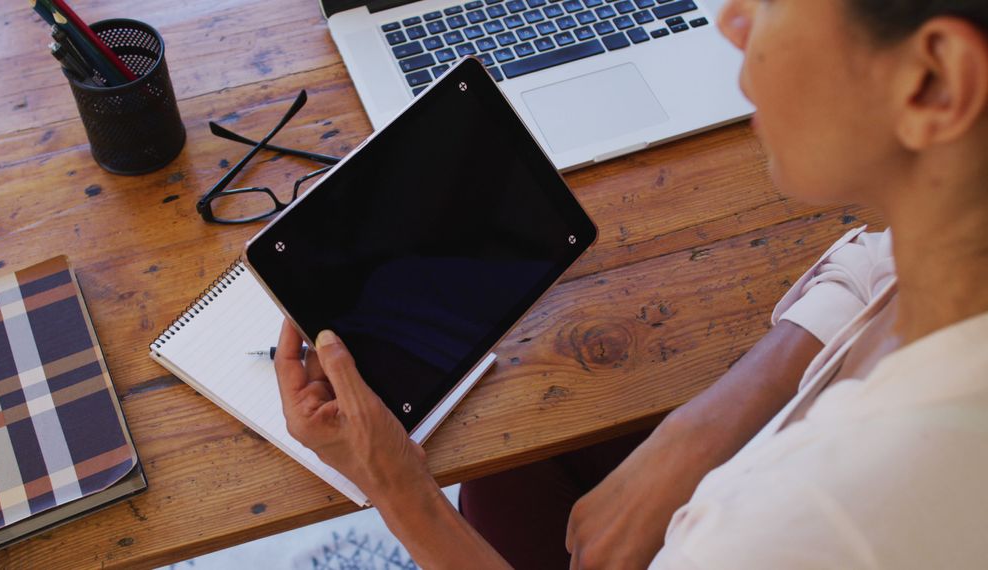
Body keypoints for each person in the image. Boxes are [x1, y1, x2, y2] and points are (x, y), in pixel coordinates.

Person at [273, 0, 988, 567]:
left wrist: (397, 490)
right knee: (509, 477)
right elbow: (880, 262)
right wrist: (697, 432)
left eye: (773, 1)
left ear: (934, 80)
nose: (728, 18)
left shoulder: (798, 523)